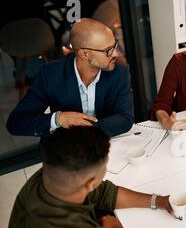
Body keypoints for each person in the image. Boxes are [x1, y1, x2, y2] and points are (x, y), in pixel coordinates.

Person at [3, 126, 175, 228]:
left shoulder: (49, 174)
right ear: (90, 183)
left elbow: (104, 193)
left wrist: (158, 201)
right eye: (105, 167)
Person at [6, 18, 134, 138]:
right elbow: (16, 122)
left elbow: (125, 118)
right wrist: (58, 119)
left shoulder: (119, 71)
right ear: (84, 53)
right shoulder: (51, 74)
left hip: (103, 142)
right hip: (65, 148)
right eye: (108, 50)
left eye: (114, 45)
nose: (115, 54)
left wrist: (88, 130)